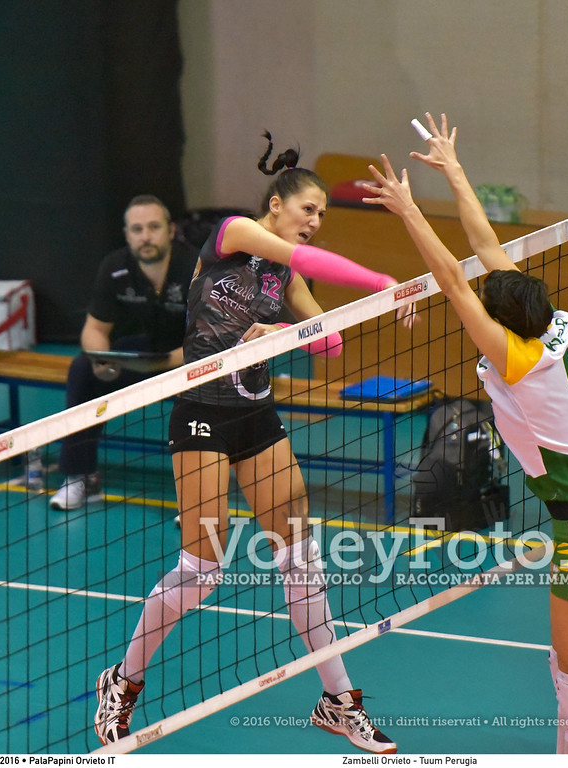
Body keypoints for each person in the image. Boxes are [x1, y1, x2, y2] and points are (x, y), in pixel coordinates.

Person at [94, 133, 411, 754]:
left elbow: (329, 344)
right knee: (203, 569)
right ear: (276, 206)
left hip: (257, 416)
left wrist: (285, 328)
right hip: (203, 411)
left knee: (301, 556)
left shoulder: (285, 271)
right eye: (309, 210)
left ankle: (338, 701)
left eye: (323, 214)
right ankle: (123, 680)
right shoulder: (233, 233)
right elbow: (322, 270)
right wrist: (378, 281)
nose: (316, 223)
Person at [364, 113, 568, 754]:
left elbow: (454, 279)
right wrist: (455, 171)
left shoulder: (520, 359)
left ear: (503, 325)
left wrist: (408, 210)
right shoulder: (554, 321)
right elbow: (487, 253)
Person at [49, 194, 197, 510]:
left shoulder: (195, 268)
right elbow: (95, 329)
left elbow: (209, 339)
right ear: (127, 234)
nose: (145, 236)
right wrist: (102, 359)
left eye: (154, 227)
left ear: (171, 231)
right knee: (82, 370)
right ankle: (80, 476)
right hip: (142, 354)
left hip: (191, 358)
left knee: (203, 397)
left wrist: (167, 363)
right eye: (137, 229)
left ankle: (199, 496)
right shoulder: (115, 266)